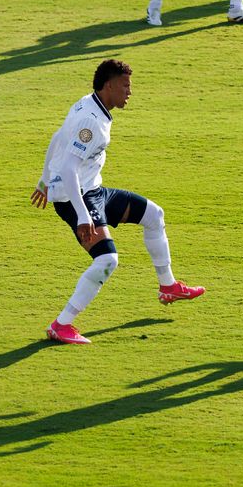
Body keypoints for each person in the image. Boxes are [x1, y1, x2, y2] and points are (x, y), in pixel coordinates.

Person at [32, 60, 205, 345]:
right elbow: (69, 169)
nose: (129, 92)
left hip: (93, 190)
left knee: (154, 215)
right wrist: (82, 215)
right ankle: (61, 324)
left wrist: (42, 181)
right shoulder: (90, 121)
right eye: (125, 85)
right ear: (109, 85)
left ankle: (168, 286)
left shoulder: (87, 104)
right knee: (107, 260)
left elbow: (57, 138)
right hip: (76, 196)